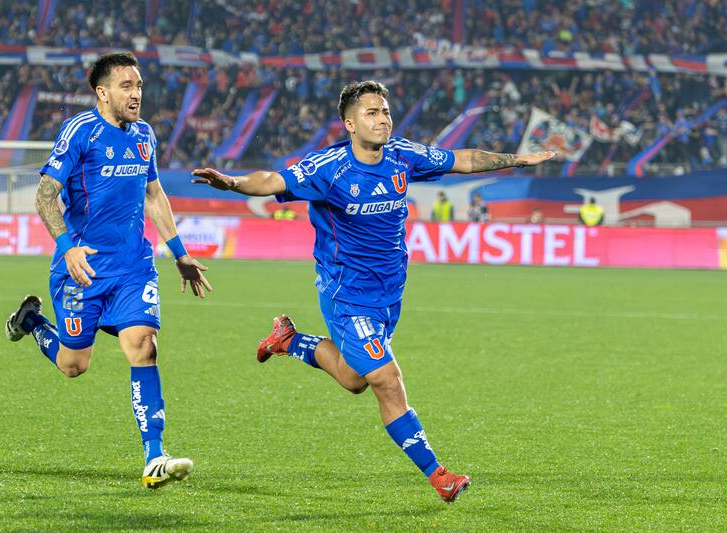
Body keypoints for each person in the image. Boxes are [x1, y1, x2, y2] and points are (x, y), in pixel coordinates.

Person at [191, 80, 554, 502]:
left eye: (385, 112)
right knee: (386, 378)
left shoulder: (402, 155)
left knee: (353, 379)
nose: (382, 119)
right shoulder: (329, 169)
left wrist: (518, 160)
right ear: (349, 123)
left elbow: (463, 159)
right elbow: (272, 179)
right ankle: (439, 475)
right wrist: (233, 183)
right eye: (371, 113)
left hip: (389, 294)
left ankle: (289, 340)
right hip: (346, 294)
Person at [4, 52, 212, 490]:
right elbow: (45, 196)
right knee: (73, 364)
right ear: (102, 92)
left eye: (138, 85)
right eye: (126, 86)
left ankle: (155, 455)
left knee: (143, 346)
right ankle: (33, 323)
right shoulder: (80, 131)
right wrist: (68, 249)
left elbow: (154, 195)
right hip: (82, 269)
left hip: (134, 266)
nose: (136, 94)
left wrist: (180, 253)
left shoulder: (145, 135)